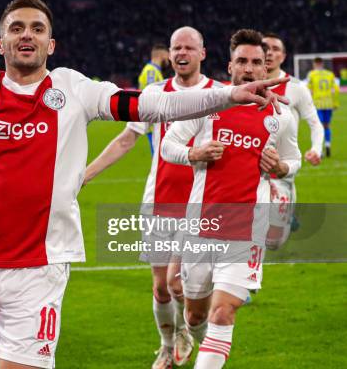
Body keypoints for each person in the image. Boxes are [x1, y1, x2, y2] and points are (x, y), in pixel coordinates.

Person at [0, 0, 287, 369]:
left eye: (37, 29)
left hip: (40, 268)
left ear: (51, 44)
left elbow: (153, 105)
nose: (26, 34)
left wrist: (228, 95)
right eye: (16, 28)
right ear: (0, 44)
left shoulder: (77, 91)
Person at [161, 29, 301, 369]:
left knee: (224, 311)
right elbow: (169, 145)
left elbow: (293, 161)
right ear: (230, 66)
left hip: (247, 230)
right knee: (196, 315)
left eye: (257, 62)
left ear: (266, 68)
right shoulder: (209, 103)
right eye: (242, 61)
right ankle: (188, 332)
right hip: (201, 225)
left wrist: (281, 166)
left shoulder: (281, 116)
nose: (250, 68)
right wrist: (194, 153)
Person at [85, 27, 218, 368]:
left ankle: (198, 340)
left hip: (202, 205)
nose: (182, 53)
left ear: (203, 53)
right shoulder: (155, 93)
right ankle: (166, 344)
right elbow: (126, 140)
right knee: (161, 288)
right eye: (176, 48)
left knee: (180, 286)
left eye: (189, 47)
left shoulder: (220, 95)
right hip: (158, 202)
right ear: (168, 54)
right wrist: (86, 174)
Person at [262, 33, 324, 249]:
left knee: (273, 243)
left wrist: (316, 149)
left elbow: (315, 123)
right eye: (265, 47)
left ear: (283, 55)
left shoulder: (295, 88)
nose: (269, 52)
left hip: (281, 170)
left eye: (275, 48)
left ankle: (287, 214)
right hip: (249, 171)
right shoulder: (246, 85)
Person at [138, 44, 170, 154]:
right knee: (157, 159)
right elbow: (150, 96)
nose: (169, 59)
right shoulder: (151, 71)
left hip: (156, 122)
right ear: (161, 54)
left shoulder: (155, 71)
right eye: (167, 55)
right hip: (153, 123)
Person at [306, 57, 340, 157]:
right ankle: (328, 145)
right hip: (328, 104)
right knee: (327, 126)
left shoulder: (312, 74)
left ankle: (319, 150)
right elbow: (336, 89)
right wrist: (335, 103)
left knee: (318, 127)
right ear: (322, 64)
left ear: (315, 64)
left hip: (317, 104)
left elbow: (308, 89)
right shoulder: (330, 74)